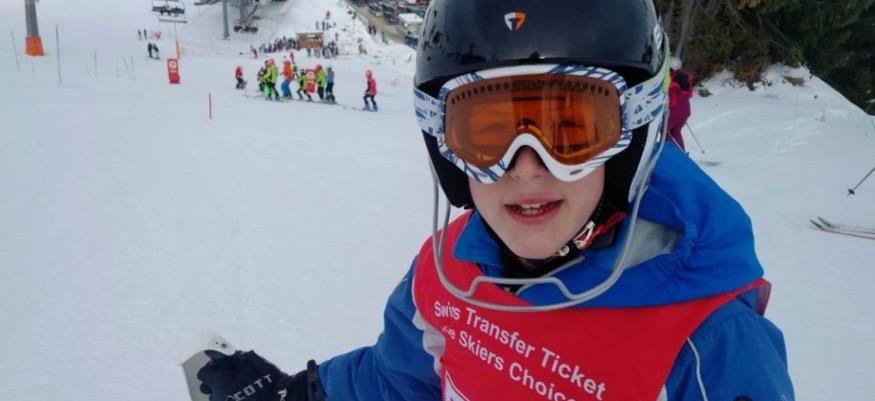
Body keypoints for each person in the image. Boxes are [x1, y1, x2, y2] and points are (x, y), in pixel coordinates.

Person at [195, 1, 795, 401]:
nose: (526, 168)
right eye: (487, 134)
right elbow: (396, 379)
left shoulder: (708, 342)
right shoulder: (448, 270)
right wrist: (304, 393)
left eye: (570, 130)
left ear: (630, 139)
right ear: (446, 149)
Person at [667, 56, 694, 151]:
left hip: (674, 113)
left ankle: (671, 154)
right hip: (685, 112)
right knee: (676, 132)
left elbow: (671, 101)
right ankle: (681, 153)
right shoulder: (684, 78)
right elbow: (688, 94)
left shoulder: (670, 82)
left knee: (665, 132)